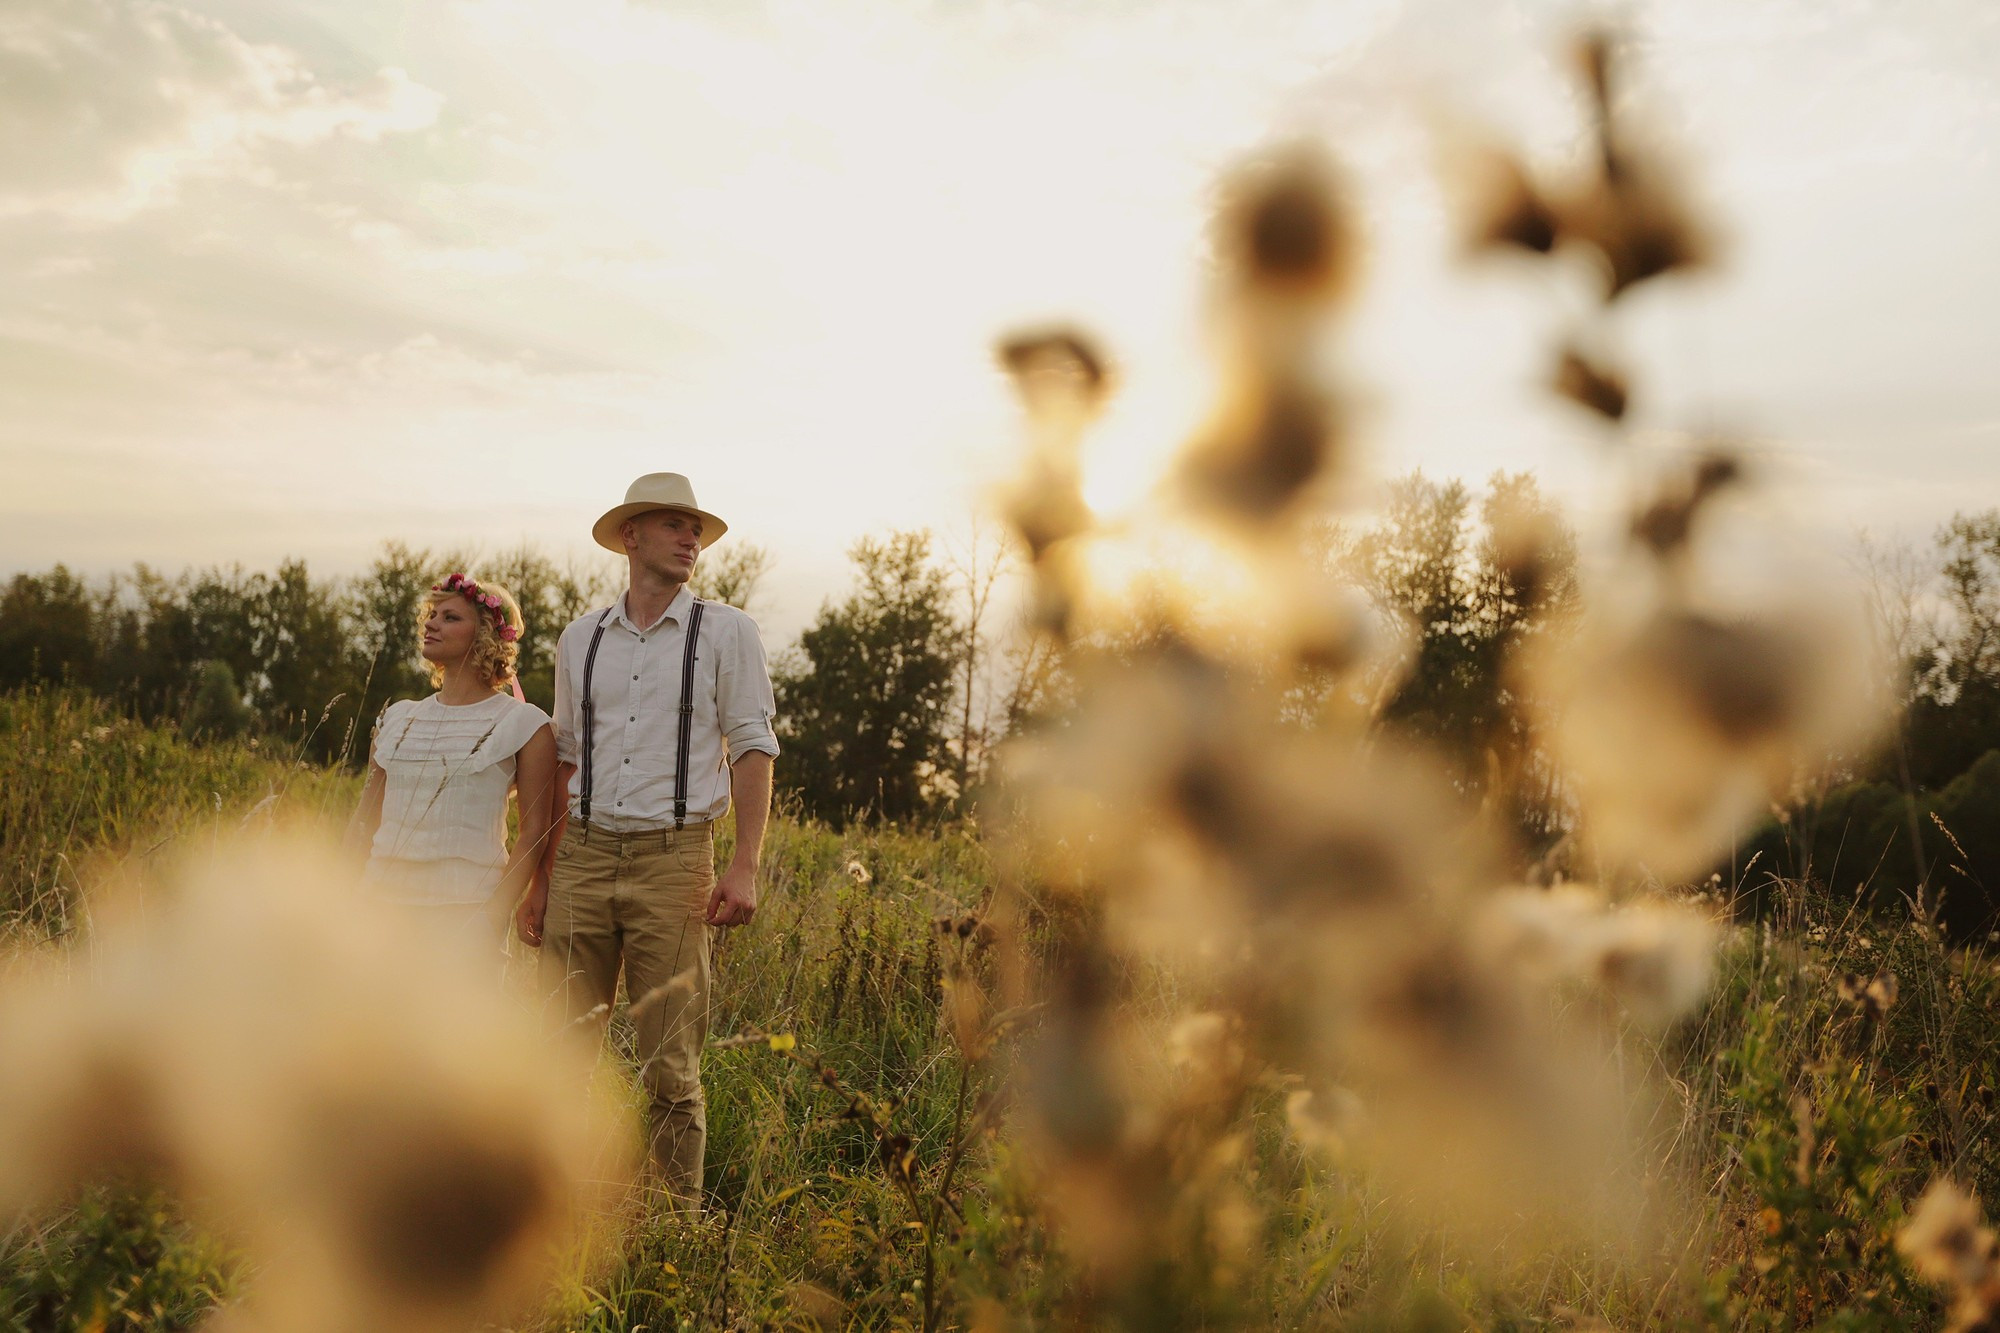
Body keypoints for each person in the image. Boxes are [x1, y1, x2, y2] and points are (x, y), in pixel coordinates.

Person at [515, 472, 778, 1211]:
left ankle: (672, 1233)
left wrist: (744, 863)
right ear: (631, 536)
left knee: (671, 1066)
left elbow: (754, 745)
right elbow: (566, 759)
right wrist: (542, 877)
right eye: (672, 524)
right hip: (583, 856)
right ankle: (554, 1223)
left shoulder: (728, 631)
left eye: (695, 527)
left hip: (676, 859)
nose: (690, 537)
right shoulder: (581, 637)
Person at [349, 573, 558, 953]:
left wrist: (492, 915)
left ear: (484, 636)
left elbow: (534, 834)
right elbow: (364, 818)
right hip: (378, 908)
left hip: (463, 913)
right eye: (432, 614)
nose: (431, 623)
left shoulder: (525, 725)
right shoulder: (397, 718)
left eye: (450, 617)